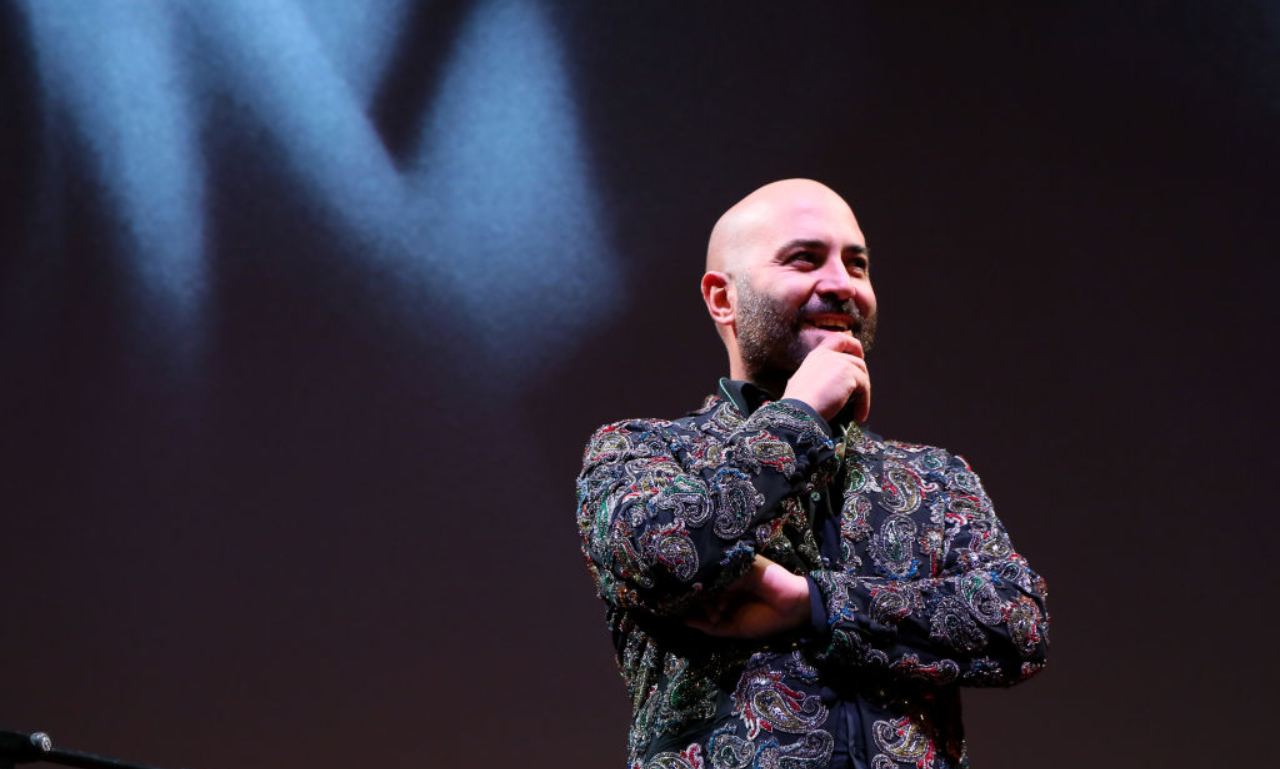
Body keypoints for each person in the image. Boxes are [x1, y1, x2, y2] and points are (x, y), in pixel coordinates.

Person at [576, 179, 1048, 769]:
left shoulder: (929, 475)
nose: (842, 284)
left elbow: (1018, 624)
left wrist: (815, 604)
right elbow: (666, 554)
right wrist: (799, 418)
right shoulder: (641, 452)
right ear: (723, 298)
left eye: (858, 264)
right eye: (805, 258)